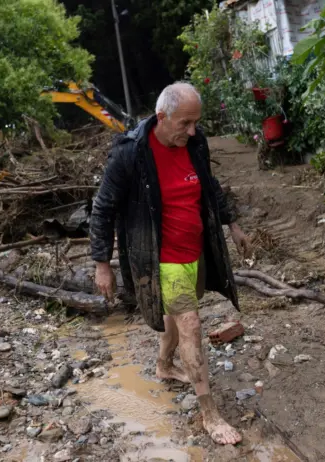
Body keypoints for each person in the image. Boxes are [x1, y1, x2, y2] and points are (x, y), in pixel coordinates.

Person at [89, 82, 250, 445]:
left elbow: (210, 186)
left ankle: (163, 366)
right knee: (190, 323)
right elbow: (103, 208)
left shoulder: (194, 143)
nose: (193, 130)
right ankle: (209, 414)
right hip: (162, 258)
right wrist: (102, 263)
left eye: (196, 122)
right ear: (162, 117)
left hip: (196, 250)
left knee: (176, 316)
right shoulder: (131, 153)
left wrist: (233, 226)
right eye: (185, 123)